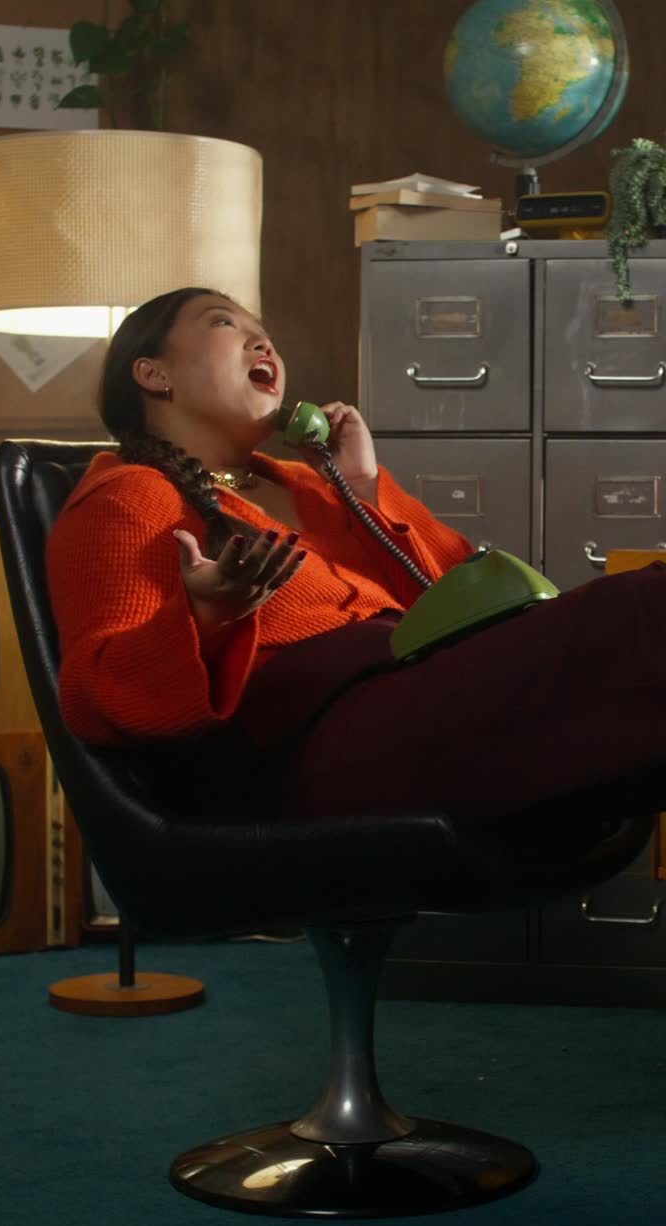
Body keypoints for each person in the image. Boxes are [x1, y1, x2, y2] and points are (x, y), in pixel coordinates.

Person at [46, 286, 666, 837]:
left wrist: (365, 486)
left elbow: (458, 594)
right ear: (154, 374)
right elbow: (94, 695)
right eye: (223, 323)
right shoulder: (132, 494)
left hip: (418, 700)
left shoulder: (310, 483)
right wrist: (206, 617)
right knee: (644, 609)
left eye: (264, 332)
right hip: (312, 751)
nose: (264, 340)